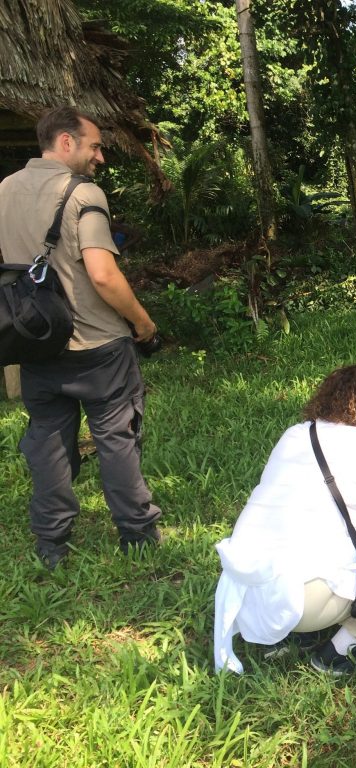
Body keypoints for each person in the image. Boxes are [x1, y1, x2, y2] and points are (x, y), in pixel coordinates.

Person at [0, 107, 161, 568]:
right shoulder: (83, 194)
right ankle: (137, 534)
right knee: (117, 438)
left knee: (47, 442)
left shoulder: (5, 190)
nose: (101, 157)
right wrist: (143, 323)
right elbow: (104, 275)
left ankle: (51, 543)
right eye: (94, 145)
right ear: (65, 142)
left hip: (33, 343)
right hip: (97, 347)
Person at [213, 365, 356, 675]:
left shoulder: (296, 433)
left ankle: (294, 635)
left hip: (253, 593)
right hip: (304, 599)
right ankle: (342, 649)